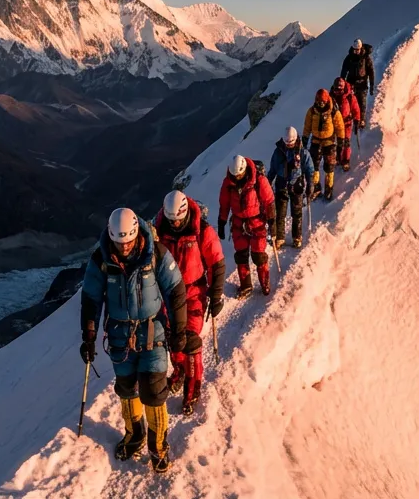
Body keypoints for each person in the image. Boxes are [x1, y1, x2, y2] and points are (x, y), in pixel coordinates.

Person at [80, 208, 190, 473]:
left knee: (153, 392)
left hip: (153, 333)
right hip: (120, 337)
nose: (125, 247)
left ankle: (158, 445)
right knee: (127, 389)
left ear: (137, 234)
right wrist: (89, 336)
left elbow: (175, 292)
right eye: (120, 242)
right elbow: (91, 299)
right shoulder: (102, 260)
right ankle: (135, 434)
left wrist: (179, 331)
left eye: (128, 241)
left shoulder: (156, 254)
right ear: (111, 236)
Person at [153, 190, 225, 416]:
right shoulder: (159, 233)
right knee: (172, 337)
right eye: (171, 220)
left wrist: (216, 295)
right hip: (167, 293)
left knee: (190, 340)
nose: (174, 224)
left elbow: (216, 264)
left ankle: (192, 389)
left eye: (177, 220)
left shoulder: (201, 231)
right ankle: (180, 370)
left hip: (194, 291)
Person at [218, 155, 276, 297]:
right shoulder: (228, 184)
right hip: (238, 224)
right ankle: (246, 285)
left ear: (244, 170)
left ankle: (265, 283)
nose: (237, 177)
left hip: (257, 223)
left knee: (258, 255)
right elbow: (224, 204)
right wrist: (222, 221)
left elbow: (269, 201)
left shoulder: (258, 180)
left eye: (239, 174)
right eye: (234, 175)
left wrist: (272, 221)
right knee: (241, 256)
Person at [267, 126, 314, 249]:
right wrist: (267, 183)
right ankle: (280, 237)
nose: (289, 145)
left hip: (296, 184)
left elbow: (309, 169)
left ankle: (297, 237)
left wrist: (310, 184)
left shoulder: (303, 153)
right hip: (281, 183)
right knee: (280, 213)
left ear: (295, 139)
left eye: (291, 143)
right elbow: (272, 169)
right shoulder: (278, 153)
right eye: (287, 143)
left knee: (297, 213)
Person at [303, 89, 345, 201]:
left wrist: (341, 140)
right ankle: (316, 188)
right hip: (316, 141)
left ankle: (328, 189)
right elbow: (307, 126)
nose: (320, 103)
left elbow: (339, 126)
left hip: (329, 142)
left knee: (329, 167)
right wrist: (305, 138)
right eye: (318, 100)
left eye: (322, 101)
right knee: (314, 166)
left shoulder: (333, 111)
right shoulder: (312, 111)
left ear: (327, 100)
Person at [330, 77, 361, 172]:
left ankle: (345, 160)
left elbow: (356, 108)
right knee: (336, 143)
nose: (337, 92)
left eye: (339, 90)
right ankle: (338, 159)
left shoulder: (349, 96)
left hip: (346, 123)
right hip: (335, 123)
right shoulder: (331, 97)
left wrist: (357, 119)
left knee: (346, 142)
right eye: (336, 89)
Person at [340, 40, 374, 123]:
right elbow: (344, 71)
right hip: (351, 83)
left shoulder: (366, 58)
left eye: (357, 50)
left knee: (362, 102)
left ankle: (361, 119)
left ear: (361, 48)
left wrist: (372, 85)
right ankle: (352, 117)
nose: (356, 51)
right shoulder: (349, 58)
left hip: (362, 83)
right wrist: (342, 83)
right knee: (351, 101)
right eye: (355, 50)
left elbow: (371, 71)